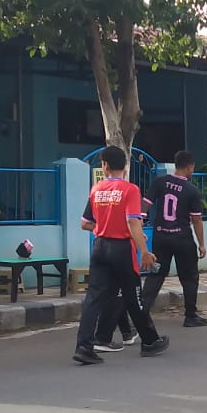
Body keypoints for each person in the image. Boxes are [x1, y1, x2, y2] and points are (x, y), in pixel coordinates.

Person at [74, 146, 170, 365]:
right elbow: (132, 221)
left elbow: (85, 223)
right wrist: (144, 250)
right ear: (125, 166)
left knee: (93, 298)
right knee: (133, 294)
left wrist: (106, 226)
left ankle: (84, 346)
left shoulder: (96, 189)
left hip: (99, 247)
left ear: (105, 166)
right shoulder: (130, 190)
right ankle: (149, 340)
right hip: (121, 249)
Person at [141, 151, 207, 327]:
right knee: (189, 277)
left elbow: (145, 206)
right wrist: (201, 244)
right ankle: (190, 315)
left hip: (161, 236)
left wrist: (139, 222)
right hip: (182, 239)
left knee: (156, 274)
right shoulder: (191, 190)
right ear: (190, 167)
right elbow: (196, 219)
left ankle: (141, 312)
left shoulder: (160, 182)